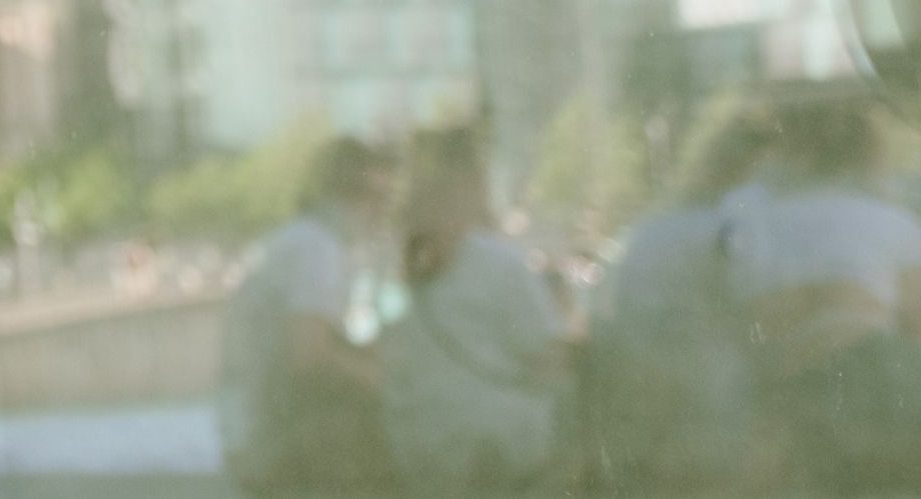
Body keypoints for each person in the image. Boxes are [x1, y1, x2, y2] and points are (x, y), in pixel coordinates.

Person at [730, 92, 921, 490]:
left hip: (790, 381)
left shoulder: (762, 222)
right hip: (877, 371)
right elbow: (915, 323)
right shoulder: (890, 219)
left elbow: (745, 315)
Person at [579, 106, 772, 492]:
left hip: (647, 417)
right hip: (712, 416)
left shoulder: (653, 230)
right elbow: (759, 317)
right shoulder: (726, 230)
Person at [378, 128, 565, 486]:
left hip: (415, 450)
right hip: (493, 448)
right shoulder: (498, 262)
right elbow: (546, 355)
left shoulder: (392, 259)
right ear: (472, 183)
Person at [220, 138, 395, 494]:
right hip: (277, 439)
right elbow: (310, 353)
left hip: (249, 433)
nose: (383, 212)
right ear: (352, 196)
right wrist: (379, 378)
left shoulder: (298, 239)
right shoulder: (319, 248)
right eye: (379, 198)